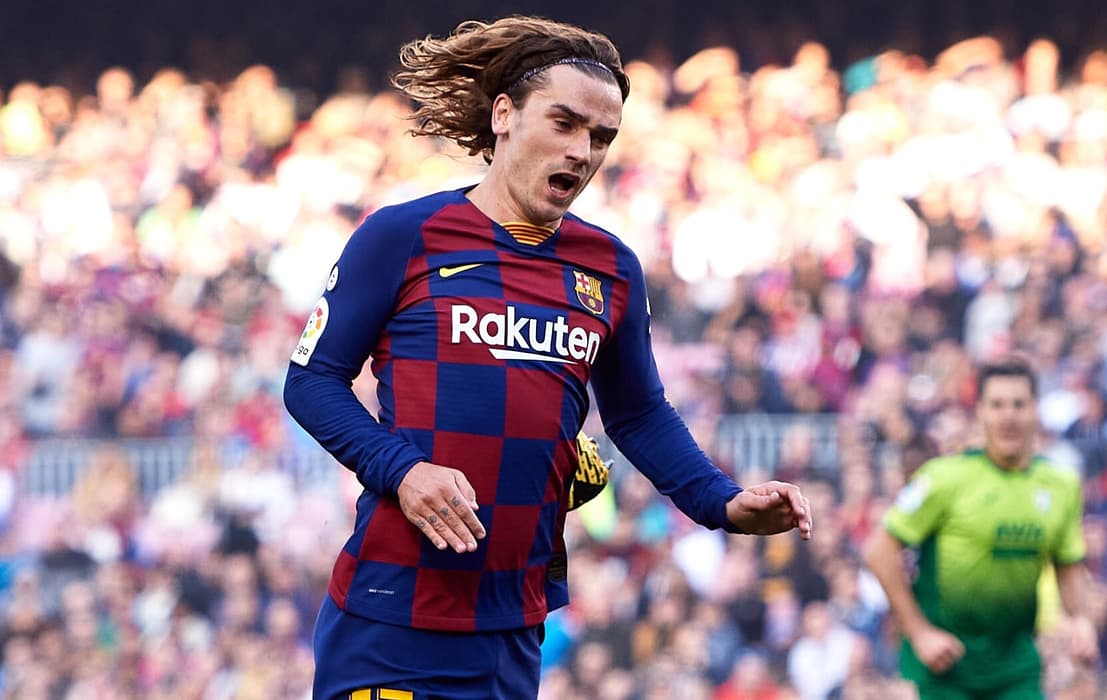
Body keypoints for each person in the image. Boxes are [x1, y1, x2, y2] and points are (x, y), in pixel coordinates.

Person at [283, 15, 813, 700]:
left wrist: (724, 501)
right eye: (564, 123)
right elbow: (311, 381)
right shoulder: (405, 236)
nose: (581, 151)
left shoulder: (610, 268)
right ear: (504, 115)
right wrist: (403, 470)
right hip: (392, 618)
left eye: (601, 137)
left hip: (514, 624)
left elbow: (639, 414)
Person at [863, 357, 1097, 699]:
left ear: (1035, 410)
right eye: (997, 405)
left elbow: (1067, 562)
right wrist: (919, 632)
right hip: (946, 665)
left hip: (1014, 666)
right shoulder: (944, 478)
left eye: (1019, 404)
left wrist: (1080, 619)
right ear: (980, 413)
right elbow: (879, 552)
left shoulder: (1061, 485)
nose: (1008, 415)